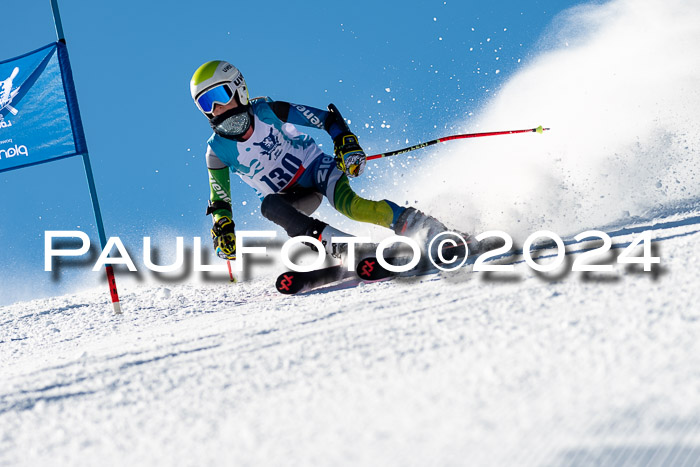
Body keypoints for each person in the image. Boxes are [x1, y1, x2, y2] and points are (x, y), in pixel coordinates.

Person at [189, 60, 460, 261]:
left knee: (352, 207)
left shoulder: (268, 111)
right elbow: (220, 199)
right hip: (288, 196)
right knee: (271, 207)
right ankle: (346, 248)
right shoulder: (217, 152)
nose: (216, 109)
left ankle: (424, 227)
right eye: (205, 104)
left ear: (239, 89)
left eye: (219, 97)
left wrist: (344, 141)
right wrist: (222, 226)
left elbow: (326, 119)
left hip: (317, 170)